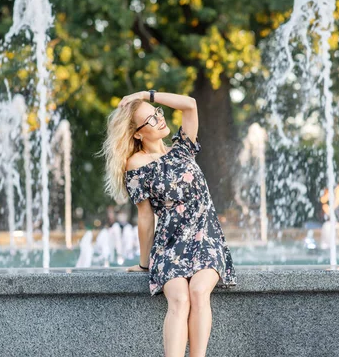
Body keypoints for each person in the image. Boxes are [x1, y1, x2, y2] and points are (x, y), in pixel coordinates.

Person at [98, 89, 237, 357]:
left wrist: (146, 95)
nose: (159, 119)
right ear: (137, 133)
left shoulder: (183, 148)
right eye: (150, 120)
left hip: (206, 237)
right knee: (179, 298)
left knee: (198, 291)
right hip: (170, 245)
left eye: (157, 114)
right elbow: (146, 216)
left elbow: (190, 105)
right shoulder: (136, 165)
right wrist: (144, 263)